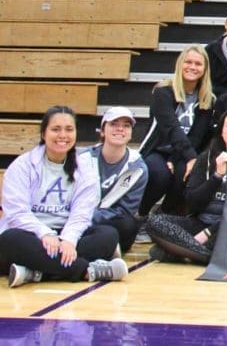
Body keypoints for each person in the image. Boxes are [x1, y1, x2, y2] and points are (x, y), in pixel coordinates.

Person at [1, 106, 129, 287]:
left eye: (69, 129)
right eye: (56, 129)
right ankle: (87, 270)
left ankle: (33, 272)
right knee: (10, 239)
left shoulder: (85, 168)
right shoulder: (22, 166)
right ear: (43, 134)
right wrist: (45, 233)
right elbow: (16, 213)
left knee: (108, 235)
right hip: (31, 236)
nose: (63, 135)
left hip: (65, 235)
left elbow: (82, 214)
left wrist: (68, 239)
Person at [146, 109, 227, 265]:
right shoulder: (206, 158)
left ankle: (180, 250)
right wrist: (217, 176)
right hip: (202, 222)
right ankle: (205, 256)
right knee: (155, 222)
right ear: (221, 131)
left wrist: (209, 232)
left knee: (159, 251)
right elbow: (193, 202)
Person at [139, 46, 214, 218]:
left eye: (198, 64)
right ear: (180, 64)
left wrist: (177, 159)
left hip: (182, 153)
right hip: (157, 149)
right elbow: (171, 128)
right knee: (160, 175)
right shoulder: (162, 92)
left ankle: (163, 216)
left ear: (204, 69)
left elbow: (196, 136)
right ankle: (141, 215)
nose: (192, 67)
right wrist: (190, 157)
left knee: (187, 175)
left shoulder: (207, 99)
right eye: (188, 62)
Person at [84, 107, 148, 254]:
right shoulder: (83, 158)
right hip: (78, 215)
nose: (120, 129)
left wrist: (93, 217)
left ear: (131, 133)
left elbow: (125, 210)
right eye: (113, 124)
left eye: (126, 125)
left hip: (106, 220)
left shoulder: (138, 167)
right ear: (102, 130)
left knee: (128, 225)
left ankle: (102, 243)